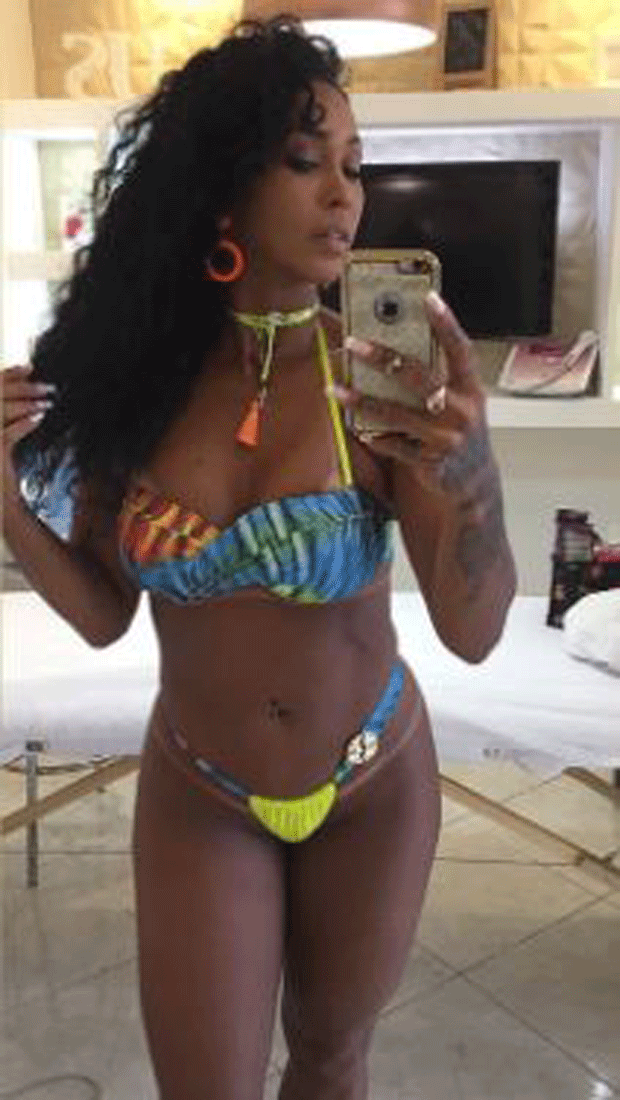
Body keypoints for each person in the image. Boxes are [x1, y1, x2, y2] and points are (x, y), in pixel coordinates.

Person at [2, 16, 517, 1100]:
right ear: (223, 187)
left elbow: (472, 633)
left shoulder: (378, 381)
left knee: (330, 1060)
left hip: (371, 780)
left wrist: (476, 485)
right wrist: (3, 498)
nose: (344, 196)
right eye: (303, 160)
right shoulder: (133, 383)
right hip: (202, 787)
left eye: (354, 167)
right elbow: (102, 612)